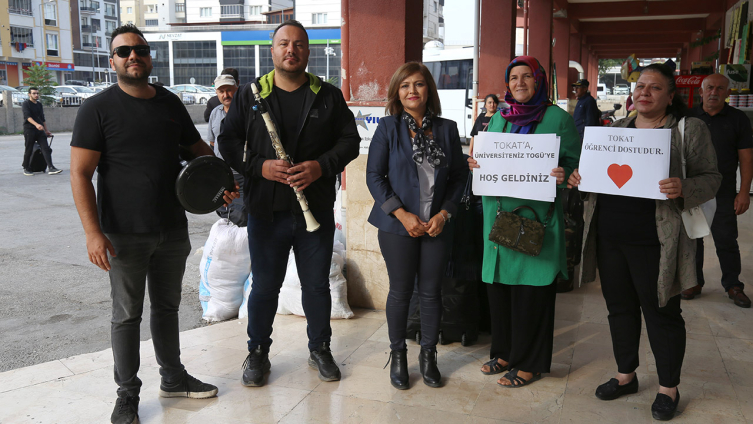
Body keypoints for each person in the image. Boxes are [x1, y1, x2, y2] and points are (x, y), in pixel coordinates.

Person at [69, 24, 234, 424]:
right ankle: (127, 394)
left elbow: (200, 153)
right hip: (122, 233)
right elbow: (79, 173)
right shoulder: (97, 108)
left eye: (139, 49)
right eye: (123, 51)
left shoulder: (170, 103)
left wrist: (224, 183)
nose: (132, 56)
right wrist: (93, 233)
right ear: (113, 61)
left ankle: (174, 378)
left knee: (167, 308)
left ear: (149, 56)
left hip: (171, 229)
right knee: (126, 314)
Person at [568, 63, 721, 421]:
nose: (644, 93)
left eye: (654, 88)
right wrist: (579, 176)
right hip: (610, 237)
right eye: (640, 87)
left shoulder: (686, 130)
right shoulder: (615, 129)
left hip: (657, 240)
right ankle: (626, 376)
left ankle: (668, 388)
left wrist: (685, 187)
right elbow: (595, 178)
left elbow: (713, 178)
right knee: (619, 307)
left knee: (662, 311)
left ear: (671, 96)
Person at [218, 20, 360, 387]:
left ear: (308, 51)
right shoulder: (251, 94)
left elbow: (349, 142)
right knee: (265, 286)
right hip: (266, 210)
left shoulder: (327, 95)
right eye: (284, 43)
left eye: (298, 44)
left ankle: (320, 348)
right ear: (273, 51)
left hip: (313, 209)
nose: (291, 50)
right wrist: (260, 167)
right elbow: (228, 141)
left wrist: (320, 167)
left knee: (316, 286)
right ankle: (258, 352)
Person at [467, 56, 580, 388]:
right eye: (514, 77)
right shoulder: (499, 118)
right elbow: (488, 156)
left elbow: (575, 165)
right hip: (499, 215)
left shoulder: (558, 118)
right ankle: (503, 352)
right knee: (501, 289)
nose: (519, 82)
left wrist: (564, 174)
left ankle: (530, 362)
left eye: (527, 76)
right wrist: (478, 164)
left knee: (532, 293)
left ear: (539, 80)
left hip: (537, 220)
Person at [366, 62, 466, 390]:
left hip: (436, 225)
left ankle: (428, 356)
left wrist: (445, 214)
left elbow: (459, 178)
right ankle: (398, 356)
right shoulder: (387, 129)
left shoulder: (448, 129)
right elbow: (374, 176)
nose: (412, 91)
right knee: (400, 292)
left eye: (419, 84)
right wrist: (401, 214)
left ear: (428, 91)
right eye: (406, 85)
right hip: (398, 227)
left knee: (431, 292)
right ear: (398, 92)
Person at [682, 73, 752, 308]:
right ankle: (694, 282)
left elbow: (746, 158)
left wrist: (744, 192)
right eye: (710, 87)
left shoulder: (738, 119)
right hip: (692, 190)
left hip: (723, 192)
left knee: (726, 240)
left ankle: (733, 285)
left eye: (720, 88)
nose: (714, 92)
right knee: (694, 238)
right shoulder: (688, 117)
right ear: (701, 91)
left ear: (728, 93)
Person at [207, 73, 246, 226]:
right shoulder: (215, 113)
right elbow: (212, 142)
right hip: (222, 173)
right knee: (225, 211)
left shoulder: (248, 113)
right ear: (216, 93)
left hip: (242, 173)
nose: (225, 95)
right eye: (221, 91)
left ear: (237, 89)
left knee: (244, 213)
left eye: (229, 90)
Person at [21, 87, 61, 175]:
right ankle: (26, 167)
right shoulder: (26, 104)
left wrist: (46, 130)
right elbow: (27, 117)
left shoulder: (39, 104)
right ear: (29, 94)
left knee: (45, 148)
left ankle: (51, 167)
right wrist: (36, 125)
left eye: (37, 93)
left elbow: (42, 118)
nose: (36, 95)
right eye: (34, 93)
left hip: (40, 130)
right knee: (29, 148)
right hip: (29, 129)